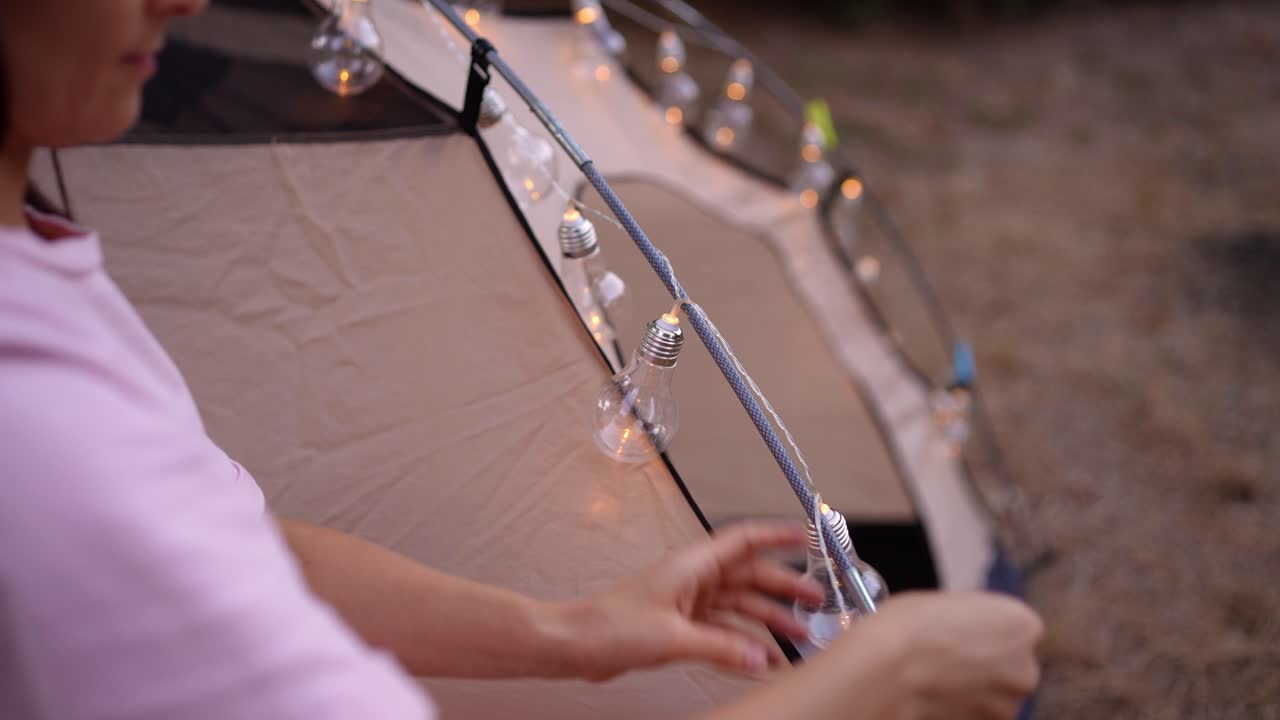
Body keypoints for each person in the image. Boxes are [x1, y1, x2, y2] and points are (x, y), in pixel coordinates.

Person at [0, 1, 1043, 718]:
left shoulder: (38, 272)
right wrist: (886, 676)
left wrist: (573, 630)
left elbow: (233, 544)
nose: (187, 2)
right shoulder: (38, 432)